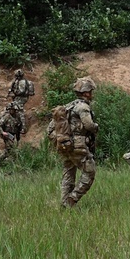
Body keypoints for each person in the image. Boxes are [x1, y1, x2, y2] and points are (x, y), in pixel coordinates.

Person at [47, 76, 99, 207]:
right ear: (86, 92)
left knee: (68, 173)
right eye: (91, 91)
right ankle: (72, 199)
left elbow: (50, 129)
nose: (92, 94)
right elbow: (88, 125)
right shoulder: (83, 107)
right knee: (89, 172)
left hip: (65, 146)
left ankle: (64, 203)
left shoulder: (68, 106)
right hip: (79, 146)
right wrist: (96, 127)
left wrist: (60, 140)